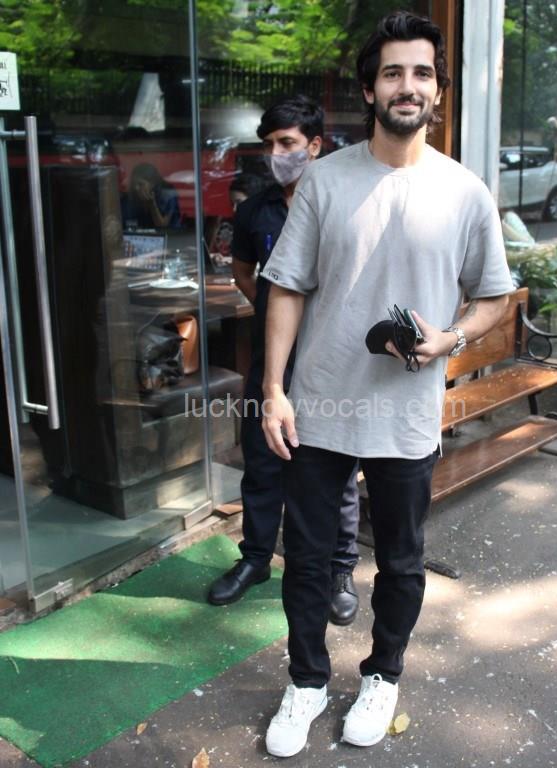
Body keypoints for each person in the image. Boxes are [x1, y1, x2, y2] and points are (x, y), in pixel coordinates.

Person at [259, 12, 514, 758]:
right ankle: (306, 681)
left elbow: (494, 297)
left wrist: (449, 338)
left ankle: (383, 675)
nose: (408, 85)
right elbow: (287, 287)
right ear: (370, 89)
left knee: (400, 560)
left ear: (437, 89)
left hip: (406, 412)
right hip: (320, 406)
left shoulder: (465, 192)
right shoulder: (324, 180)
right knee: (308, 559)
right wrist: (273, 389)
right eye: (393, 72)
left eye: (422, 72)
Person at [207, 96, 360, 628]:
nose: (276, 153)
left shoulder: (346, 205)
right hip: (271, 364)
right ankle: (255, 559)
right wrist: (274, 318)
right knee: (262, 462)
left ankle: (340, 569)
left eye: (287, 142)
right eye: (270, 144)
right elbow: (242, 271)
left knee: (337, 469)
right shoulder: (255, 210)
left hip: (333, 362)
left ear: (314, 145)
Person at [121, 162, 182, 230]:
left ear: (152, 183)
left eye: (140, 184)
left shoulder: (167, 195)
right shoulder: (128, 199)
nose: (136, 188)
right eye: (134, 184)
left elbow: (163, 226)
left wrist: (152, 204)